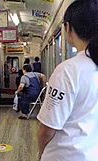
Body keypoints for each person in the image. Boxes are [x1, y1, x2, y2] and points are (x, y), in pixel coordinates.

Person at [37, 1, 98, 161]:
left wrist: (41, 153)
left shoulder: (68, 70)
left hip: (64, 156)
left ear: (68, 27)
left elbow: (47, 129)